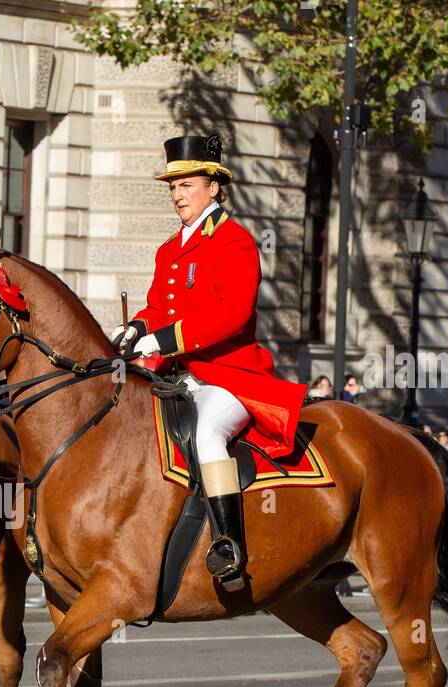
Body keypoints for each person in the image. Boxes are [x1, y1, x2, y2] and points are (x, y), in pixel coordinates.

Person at [109, 133, 305, 586]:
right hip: (177, 375)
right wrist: (137, 328)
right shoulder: (169, 249)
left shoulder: (234, 241)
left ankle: (228, 543)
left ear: (214, 186)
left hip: (229, 375)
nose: (177, 195)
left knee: (207, 433)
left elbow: (231, 316)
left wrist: (160, 341)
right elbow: (158, 304)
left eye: (186, 185)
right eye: (172, 187)